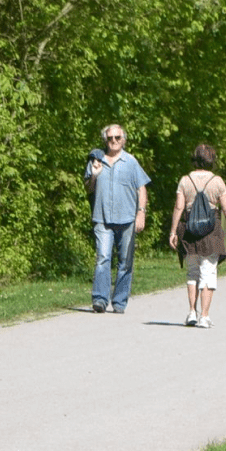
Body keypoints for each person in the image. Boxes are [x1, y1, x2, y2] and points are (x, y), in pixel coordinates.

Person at [84, 124, 150, 314]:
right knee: (103, 258)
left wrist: (141, 212)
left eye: (117, 137)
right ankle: (100, 300)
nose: (113, 141)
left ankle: (119, 302)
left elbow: (141, 188)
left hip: (127, 218)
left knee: (125, 262)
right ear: (105, 140)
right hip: (102, 218)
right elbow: (88, 189)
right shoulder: (96, 160)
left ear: (124, 140)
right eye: (110, 138)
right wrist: (94, 176)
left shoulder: (130, 161)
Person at [168, 145, 226, 328]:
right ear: (211, 160)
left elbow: (179, 207)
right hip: (211, 230)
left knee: (192, 272)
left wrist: (173, 231)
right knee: (208, 272)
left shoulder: (185, 180)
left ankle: (192, 312)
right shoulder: (217, 181)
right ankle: (204, 317)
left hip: (189, 229)